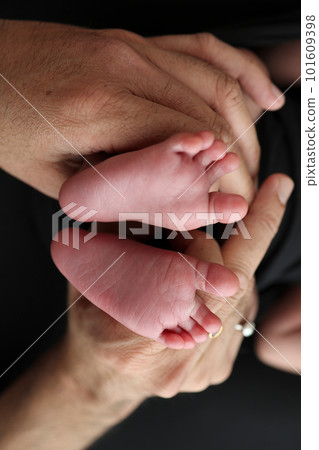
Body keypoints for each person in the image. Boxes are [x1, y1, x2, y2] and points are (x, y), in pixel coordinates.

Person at [0, 2, 300, 449]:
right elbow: (279, 335)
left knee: (207, 131)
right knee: (196, 252)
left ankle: (152, 182)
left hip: (245, 145)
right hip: (247, 242)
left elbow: (290, 60)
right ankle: (141, 258)